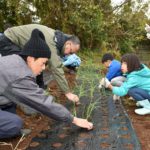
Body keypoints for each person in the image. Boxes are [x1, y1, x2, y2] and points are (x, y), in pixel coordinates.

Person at [0, 29, 93, 139]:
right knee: (14, 124)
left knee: (10, 105)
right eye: (43, 63)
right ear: (30, 59)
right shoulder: (19, 75)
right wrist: (74, 119)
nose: (44, 68)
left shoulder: (16, 60)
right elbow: (43, 103)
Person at [0, 24, 80, 104]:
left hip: (18, 43)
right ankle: (25, 102)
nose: (69, 54)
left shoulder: (58, 40)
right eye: (71, 51)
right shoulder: (52, 42)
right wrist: (68, 93)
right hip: (9, 40)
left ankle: (40, 88)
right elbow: (56, 68)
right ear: (68, 44)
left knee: (40, 63)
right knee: (23, 69)